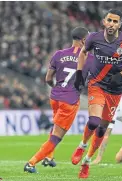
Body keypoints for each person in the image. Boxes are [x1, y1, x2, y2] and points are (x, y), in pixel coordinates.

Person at [72, 9, 122, 179]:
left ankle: (86, 162)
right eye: (109, 20)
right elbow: (83, 53)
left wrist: (121, 75)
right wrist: (79, 74)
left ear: (119, 25)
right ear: (104, 21)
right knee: (94, 121)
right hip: (97, 84)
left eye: (115, 22)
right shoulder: (94, 38)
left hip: (115, 90)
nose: (112, 24)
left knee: (102, 128)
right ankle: (82, 145)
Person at [24, 27, 91, 173]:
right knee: (56, 137)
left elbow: (48, 78)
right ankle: (31, 163)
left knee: (55, 128)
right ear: (84, 40)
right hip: (70, 100)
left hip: (55, 97)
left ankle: (49, 157)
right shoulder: (88, 57)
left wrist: (56, 87)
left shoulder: (59, 54)